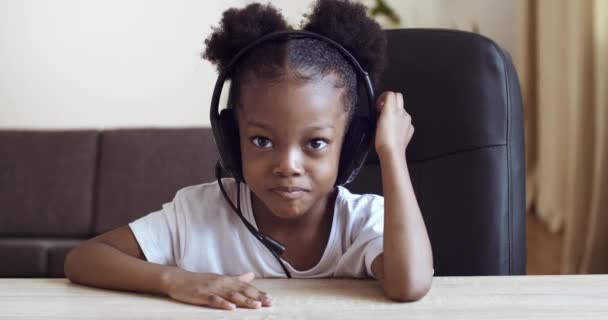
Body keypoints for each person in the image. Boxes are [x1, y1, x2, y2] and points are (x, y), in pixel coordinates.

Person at [64, 0, 434, 311]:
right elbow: (83, 259)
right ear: (231, 137)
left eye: (316, 143)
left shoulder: (362, 222)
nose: (288, 165)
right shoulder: (198, 214)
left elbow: (410, 285)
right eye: (261, 141)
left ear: (351, 144)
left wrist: (391, 153)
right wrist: (174, 280)